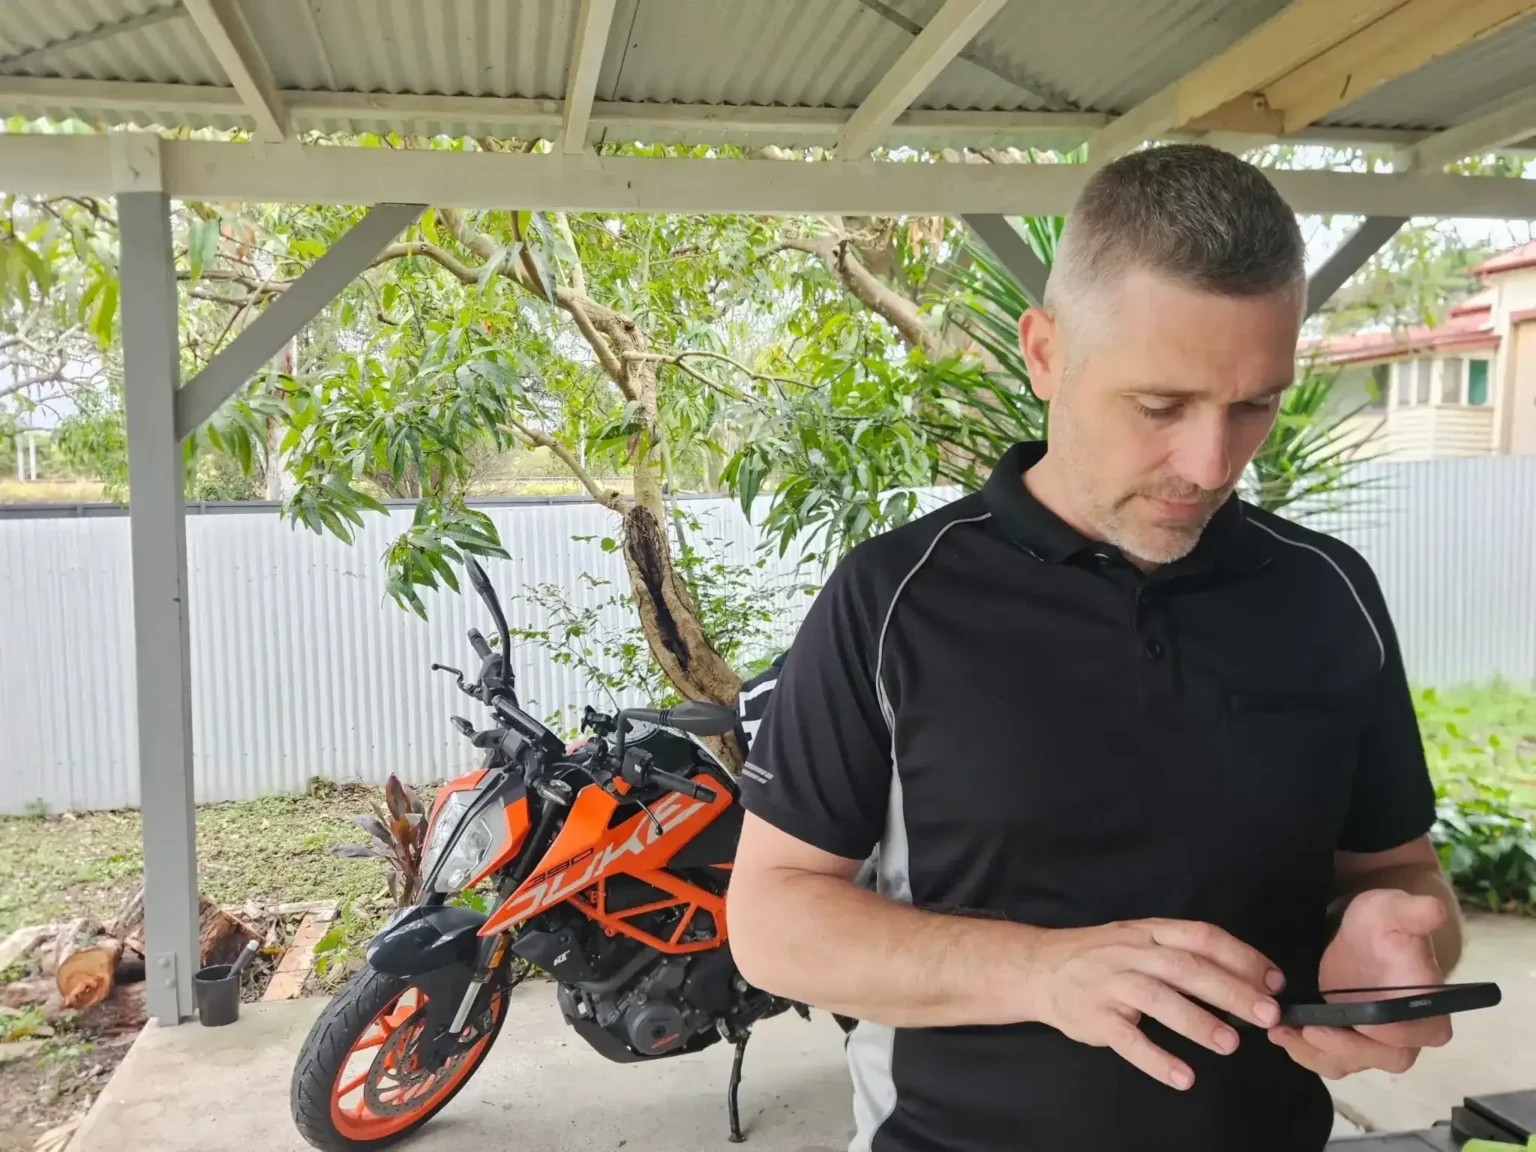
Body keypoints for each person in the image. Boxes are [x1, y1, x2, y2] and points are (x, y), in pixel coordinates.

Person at [724, 143, 1463, 1152]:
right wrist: (1040, 972)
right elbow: (771, 921)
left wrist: (1403, 942)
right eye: (1160, 406)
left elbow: (1403, 873)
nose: (1210, 463)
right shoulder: (895, 598)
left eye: (1255, 403)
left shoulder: (1328, 594)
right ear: (1044, 354)